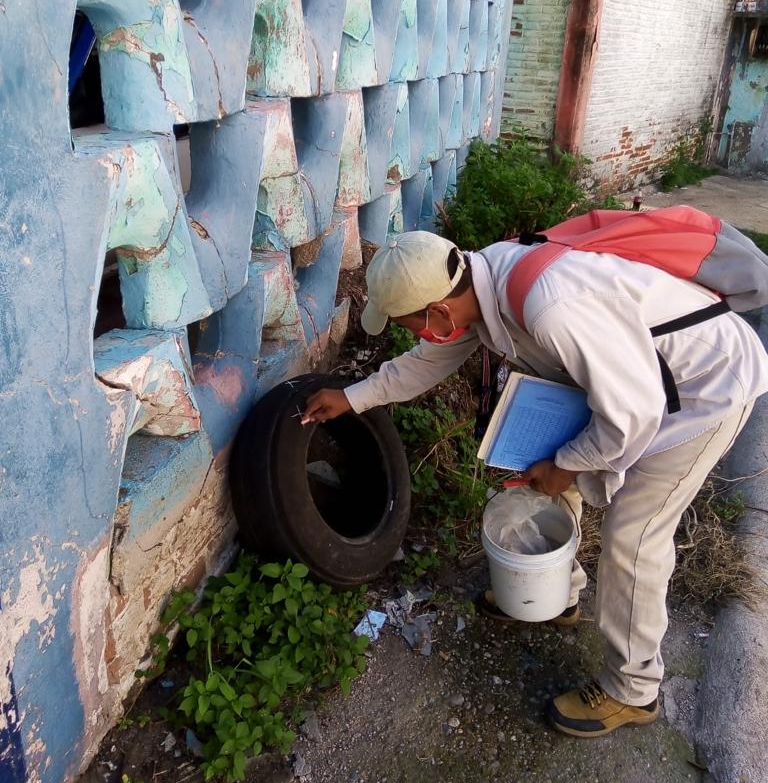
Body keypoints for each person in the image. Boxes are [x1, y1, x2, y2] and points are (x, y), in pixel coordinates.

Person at [303, 230, 768, 737]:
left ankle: (633, 691)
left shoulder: (547, 307)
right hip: (637, 384)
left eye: (408, 324)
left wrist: (567, 464)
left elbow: (633, 412)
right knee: (551, 470)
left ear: (437, 312)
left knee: (634, 537)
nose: (412, 335)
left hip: (706, 386)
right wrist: (353, 397)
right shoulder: (477, 283)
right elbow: (427, 363)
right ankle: (557, 595)